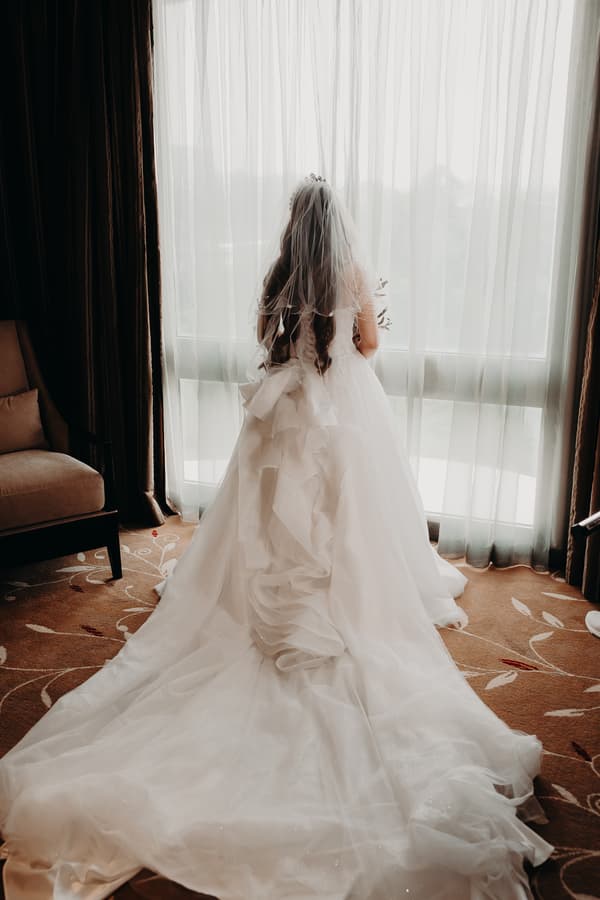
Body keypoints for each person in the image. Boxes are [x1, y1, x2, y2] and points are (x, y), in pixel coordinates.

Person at [0, 175, 553, 899]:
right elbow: (368, 344)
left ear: (295, 226)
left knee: (267, 521)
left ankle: (274, 603)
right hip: (340, 412)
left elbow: (270, 342)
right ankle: (343, 602)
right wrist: (364, 320)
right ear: (339, 228)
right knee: (347, 524)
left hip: (282, 419)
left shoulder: (277, 277)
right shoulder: (351, 273)